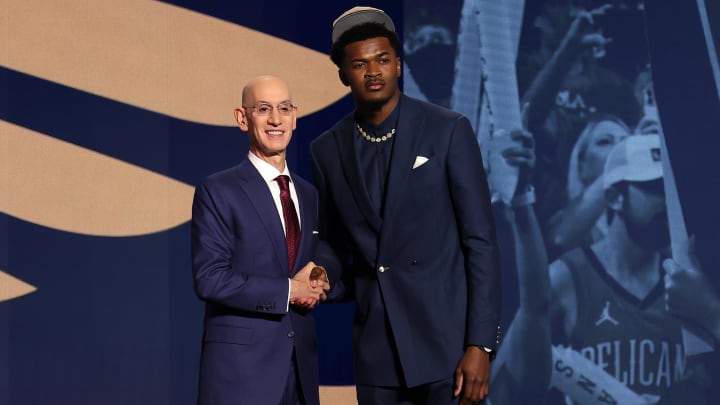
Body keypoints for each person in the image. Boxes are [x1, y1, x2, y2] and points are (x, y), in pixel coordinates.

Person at [310, 7, 502, 405]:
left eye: (383, 60)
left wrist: (480, 345)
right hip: (377, 349)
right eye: (360, 64)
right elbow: (332, 240)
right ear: (344, 74)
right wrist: (321, 270)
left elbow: (480, 242)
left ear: (399, 64)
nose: (374, 71)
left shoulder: (448, 129)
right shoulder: (326, 149)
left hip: (448, 346)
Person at [497, 134, 715, 404]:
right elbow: (502, 386)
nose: (667, 201)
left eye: (671, 190)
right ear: (614, 197)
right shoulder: (567, 278)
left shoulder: (688, 283)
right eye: (655, 187)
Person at [191, 75, 333, 405]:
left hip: (300, 371)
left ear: (295, 117)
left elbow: (304, 264)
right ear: (243, 118)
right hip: (241, 374)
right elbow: (209, 279)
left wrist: (318, 280)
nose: (275, 119)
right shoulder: (218, 190)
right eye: (263, 109)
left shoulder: (308, 194)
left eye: (284, 108)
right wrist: (290, 290)